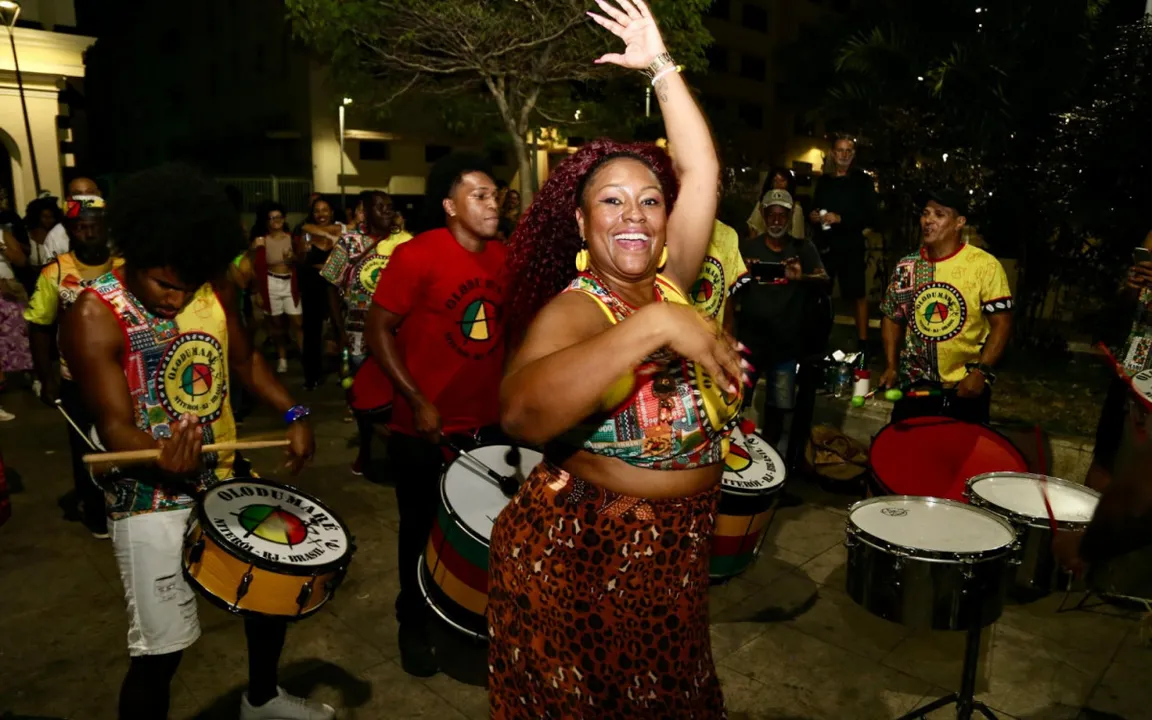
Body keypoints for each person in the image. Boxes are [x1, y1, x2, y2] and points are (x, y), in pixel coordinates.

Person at [490, 1, 747, 715]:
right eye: (611, 201)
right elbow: (517, 412)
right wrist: (656, 326)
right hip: (585, 559)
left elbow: (702, 168)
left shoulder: (669, 279)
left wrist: (661, 66)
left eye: (649, 201)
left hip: (677, 561)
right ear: (580, 220)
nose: (633, 214)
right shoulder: (578, 309)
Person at [58, 164, 329, 720]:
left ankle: (262, 699)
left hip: (224, 473)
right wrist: (160, 455)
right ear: (134, 253)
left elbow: (248, 361)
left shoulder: (209, 288)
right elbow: (113, 425)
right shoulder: (94, 311)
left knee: (270, 596)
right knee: (162, 651)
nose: (176, 299)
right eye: (164, 284)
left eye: (186, 286)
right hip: (149, 494)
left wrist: (296, 410)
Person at [363, 153, 505, 677]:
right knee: (420, 529)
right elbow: (377, 331)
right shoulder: (416, 255)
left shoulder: (503, 257)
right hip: (421, 427)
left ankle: (467, 622)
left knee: (477, 534)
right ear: (450, 206)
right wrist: (418, 398)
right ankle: (413, 622)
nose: (494, 204)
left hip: (487, 425)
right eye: (481, 195)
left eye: (496, 195)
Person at [24, 194, 120, 537]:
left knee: (124, 441)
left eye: (95, 226)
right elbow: (39, 324)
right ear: (70, 231)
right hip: (76, 379)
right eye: (80, 227)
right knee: (86, 448)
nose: (88, 233)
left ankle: (126, 505)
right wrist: (46, 377)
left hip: (125, 377)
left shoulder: (125, 266)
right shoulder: (56, 271)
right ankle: (96, 513)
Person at [878, 190, 1012, 424]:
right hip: (915, 384)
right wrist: (891, 366)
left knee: (958, 458)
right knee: (907, 456)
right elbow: (891, 316)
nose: (928, 220)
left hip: (966, 385)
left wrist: (981, 372)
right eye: (925, 213)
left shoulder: (985, 266)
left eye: (939, 215)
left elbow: (1002, 324)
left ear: (959, 223)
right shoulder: (907, 266)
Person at [322, 190, 412, 475]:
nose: (387, 212)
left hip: (395, 333)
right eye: (381, 208)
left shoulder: (404, 242)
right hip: (357, 331)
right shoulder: (349, 243)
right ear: (366, 212)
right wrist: (339, 330)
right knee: (362, 397)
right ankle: (367, 450)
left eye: (390, 207)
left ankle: (396, 450)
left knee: (396, 392)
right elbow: (330, 284)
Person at [738, 189, 829, 447]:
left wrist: (802, 277)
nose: (777, 221)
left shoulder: (802, 248)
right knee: (735, 403)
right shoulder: (749, 247)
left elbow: (825, 281)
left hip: (785, 345)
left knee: (778, 410)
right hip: (750, 343)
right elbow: (730, 285)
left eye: (782, 216)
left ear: (790, 218)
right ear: (764, 217)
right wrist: (744, 271)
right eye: (772, 215)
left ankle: (772, 468)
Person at [810, 136, 878, 355]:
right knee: (822, 294)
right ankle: (819, 339)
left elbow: (871, 215)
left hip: (851, 245)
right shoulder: (824, 181)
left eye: (849, 150)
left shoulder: (863, 181)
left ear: (854, 154)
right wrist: (814, 216)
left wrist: (840, 218)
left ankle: (863, 343)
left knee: (857, 294)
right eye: (840, 150)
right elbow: (815, 207)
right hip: (826, 246)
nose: (844, 154)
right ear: (833, 153)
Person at [294, 197, 345, 390]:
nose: (321, 214)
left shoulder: (342, 231)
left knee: (339, 328)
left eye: (325, 210)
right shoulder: (307, 233)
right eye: (317, 211)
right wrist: (300, 252)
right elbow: (301, 259)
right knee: (312, 331)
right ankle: (312, 376)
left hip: (335, 284)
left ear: (332, 212)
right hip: (313, 284)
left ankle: (344, 371)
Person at [252, 202, 302, 374]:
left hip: (289, 283)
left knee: (298, 322)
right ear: (267, 222)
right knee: (277, 324)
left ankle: (305, 358)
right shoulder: (262, 241)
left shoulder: (292, 238)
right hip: (271, 283)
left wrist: (294, 257)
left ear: (284, 218)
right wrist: (258, 291)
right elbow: (256, 267)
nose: (276, 220)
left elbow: (301, 258)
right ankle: (282, 358)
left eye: (278, 217)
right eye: (272, 218)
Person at [692, 218, 749, 333]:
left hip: (712, 342)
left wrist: (726, 338)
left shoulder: (728, 236)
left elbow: (728, 301)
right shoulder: (665, 228)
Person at [0, 217, 29, 417]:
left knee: (19, 339)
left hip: (7, 293)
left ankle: (32, 379)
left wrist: (2, 248)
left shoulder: (3, 234)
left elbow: (21, 260)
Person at [747, 166, 805, 240]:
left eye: (782, 180)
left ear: (788, 183)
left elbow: (798, 236)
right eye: (775, 181)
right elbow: (754, 227)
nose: (778, 184)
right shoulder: (763, 204)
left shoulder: (796, 208)